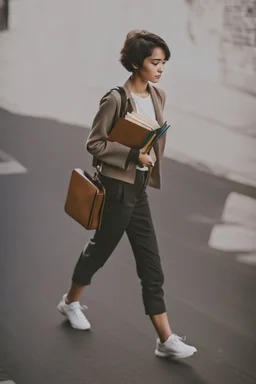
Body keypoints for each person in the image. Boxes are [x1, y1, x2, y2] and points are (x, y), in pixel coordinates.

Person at [57, 30, 197, 359]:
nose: (161, 68)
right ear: (136, 63)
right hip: (117, 187)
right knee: (100, 251)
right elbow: (95, 143)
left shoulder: (157, 95)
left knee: (151, 264)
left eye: (164, 63)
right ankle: (70, 302)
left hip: (139, 188)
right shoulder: (115, 99)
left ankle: (165, 340)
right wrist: (134, 156)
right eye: (154, 62)